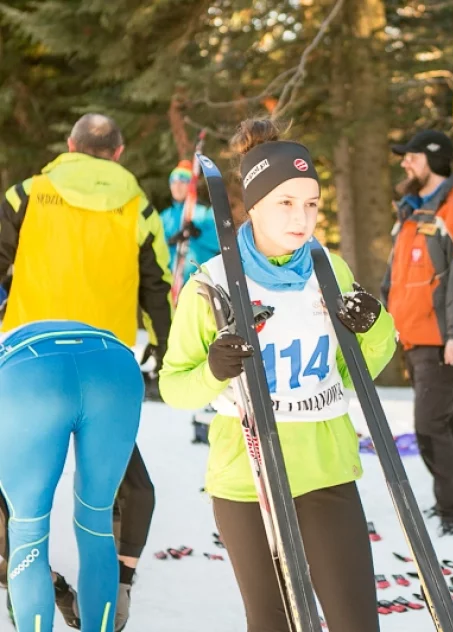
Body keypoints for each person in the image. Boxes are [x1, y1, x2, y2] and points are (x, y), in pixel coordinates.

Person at [159, 118, 396, 632]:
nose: (301, 217)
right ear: (253, 205)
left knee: (357, 622)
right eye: (285, 203)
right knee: (274, 624)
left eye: (310, 203)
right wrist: (215, 370)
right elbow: (173, 385)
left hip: (326, 471)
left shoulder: (328, 269)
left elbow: (357, 371)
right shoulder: (213, 283)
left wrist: (374, 327)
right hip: (247, 479)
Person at [0, 113, 167, 630]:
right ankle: (111, 604)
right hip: (110, 370)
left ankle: (25, 582)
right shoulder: (139, 206)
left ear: (70, 146)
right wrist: (162, 350)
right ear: (117, 154)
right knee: (98, 517)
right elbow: (158, 285)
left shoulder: (28, 193)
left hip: (31, 366)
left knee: (26, 521)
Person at [382, 129, 453, 538]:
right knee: (447, 422)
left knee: (430, 426)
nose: (404, 164)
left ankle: (452, 511)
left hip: (443, 340)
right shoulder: (414, 214)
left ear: (433, 159)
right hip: (415, 339)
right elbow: (396, 277)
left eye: (411, 157)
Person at [0, 321, 144, 632]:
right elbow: (143, 492)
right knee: (96, 520)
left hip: (28, 370)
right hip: (113, 363)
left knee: (27, 531)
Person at [161, 159, 219, 283]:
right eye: (173, 182)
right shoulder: (165, 216)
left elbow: (220, 242)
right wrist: (170, 241)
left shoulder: (204, 212)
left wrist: (198, 233)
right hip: (173, 284)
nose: (177, 186)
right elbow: (154, 248)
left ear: (191, 186)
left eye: (182, 182)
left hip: (201, 281)